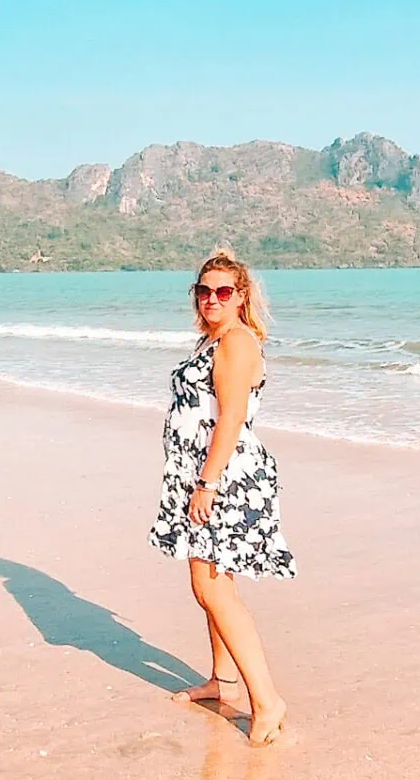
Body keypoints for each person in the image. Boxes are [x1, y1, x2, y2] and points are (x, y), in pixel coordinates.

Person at [149, 248, 297, 747]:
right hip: (199, 472)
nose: (212, 298)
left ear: (241, 297)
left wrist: (208, 483)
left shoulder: (236, 342)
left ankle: (267, 701)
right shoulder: (209, 341)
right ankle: (222, 680)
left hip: (225, 477)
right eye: (204, 290)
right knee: (217, 580)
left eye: (223, 291)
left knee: (211, 586)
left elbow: (231, 417)